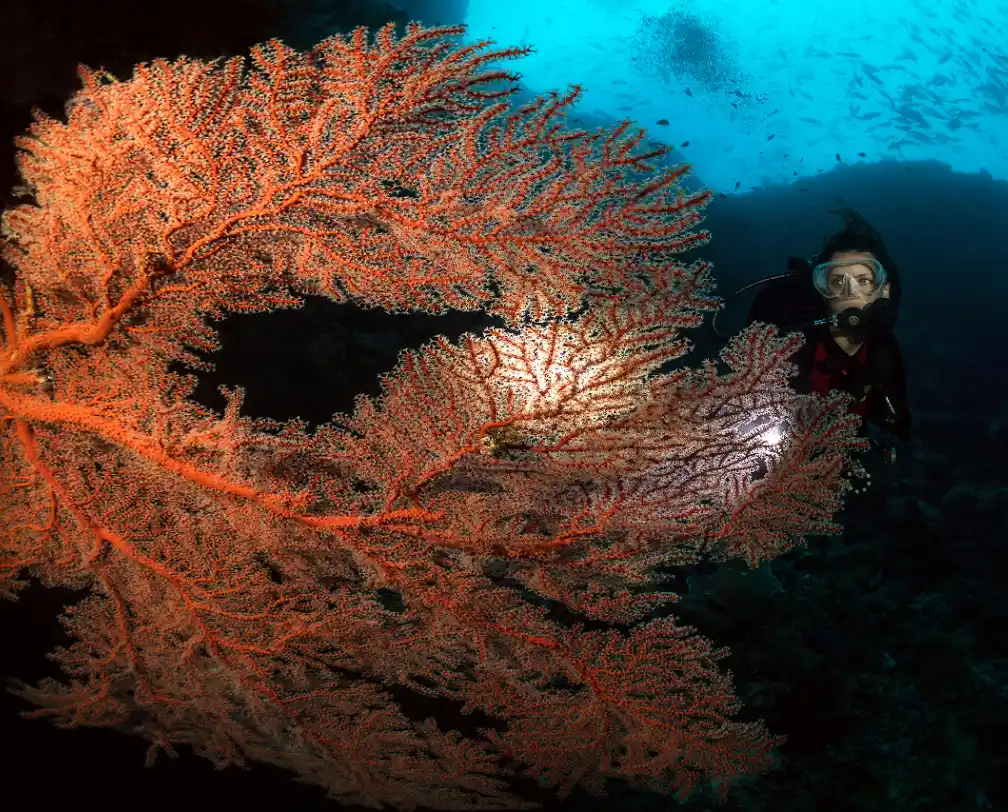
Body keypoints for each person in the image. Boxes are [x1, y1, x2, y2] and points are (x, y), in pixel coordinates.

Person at [716, 209, 912, 463]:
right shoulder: (789, 342)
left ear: (884, 290)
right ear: (821, 288)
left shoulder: (885, 352)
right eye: (838, 281)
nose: (850, 292)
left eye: (864, 280)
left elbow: (897, 427)